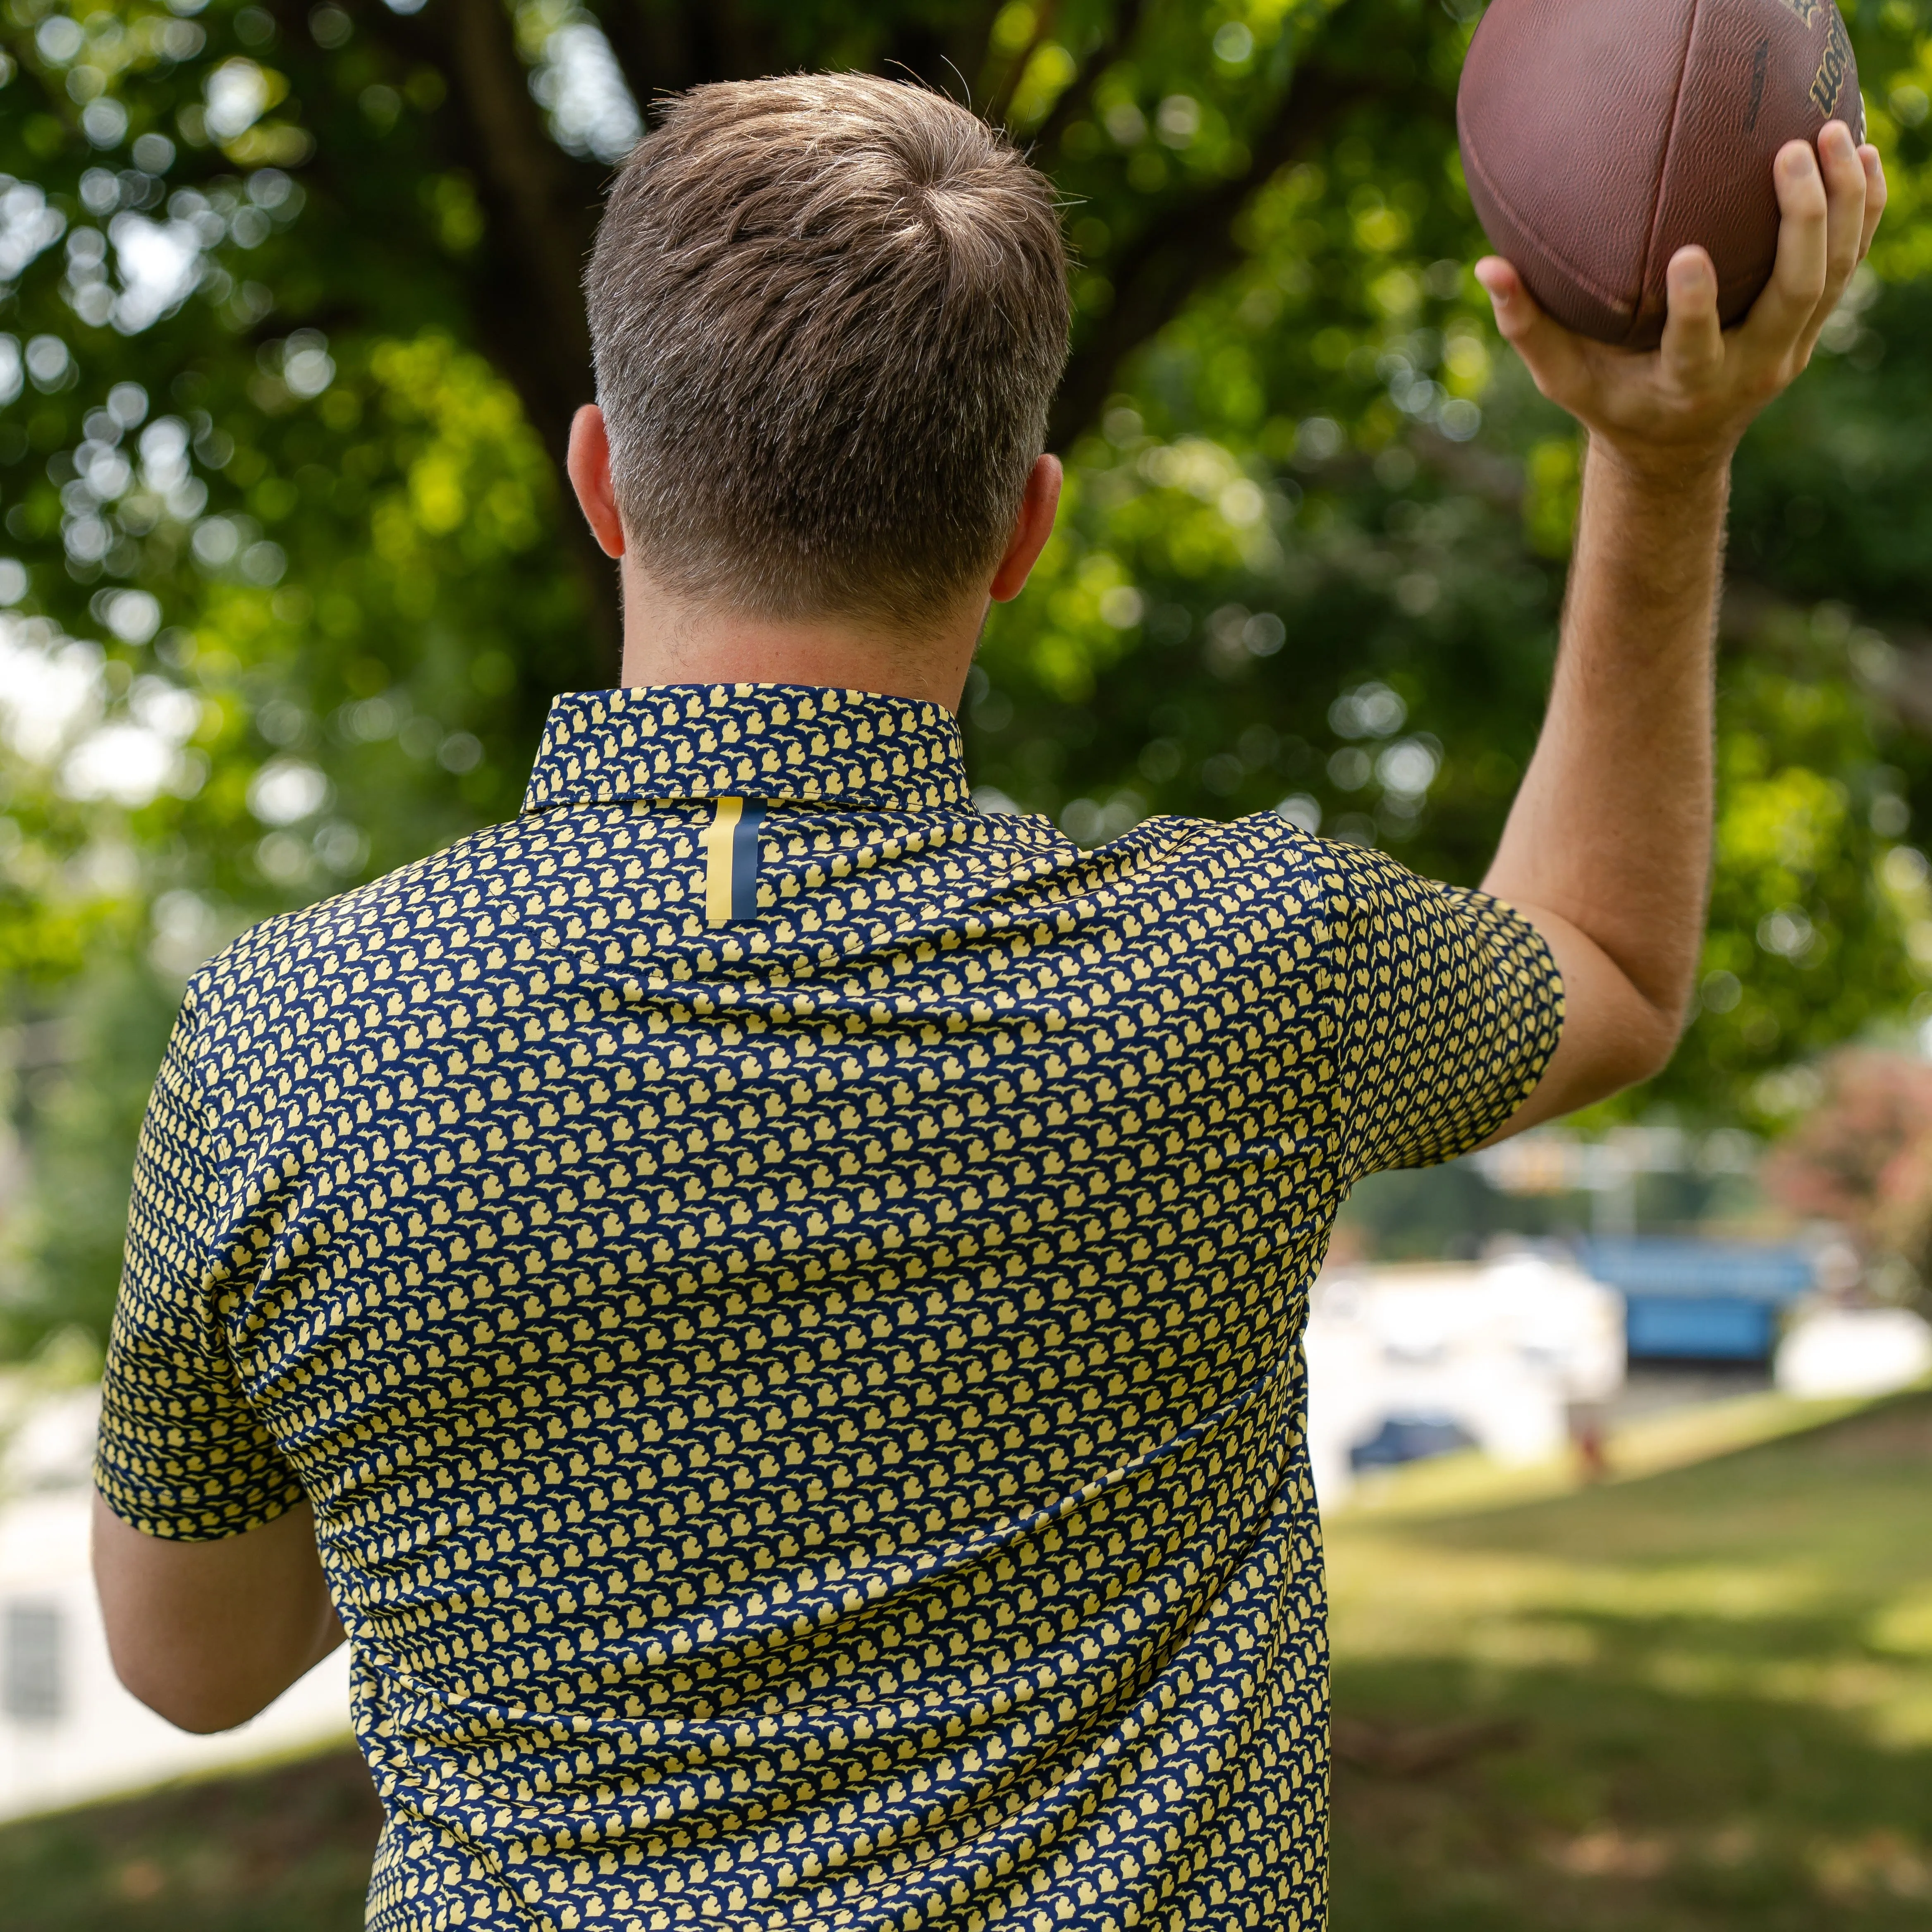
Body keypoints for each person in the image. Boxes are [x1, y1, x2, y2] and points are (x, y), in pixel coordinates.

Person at [91, 71, 1882, 1932]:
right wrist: (1660, 457)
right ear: (1025, 529)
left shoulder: (291, 1040)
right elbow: (1606, 964)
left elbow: (188, 1664)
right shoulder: (1237, 974)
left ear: (603, 477)